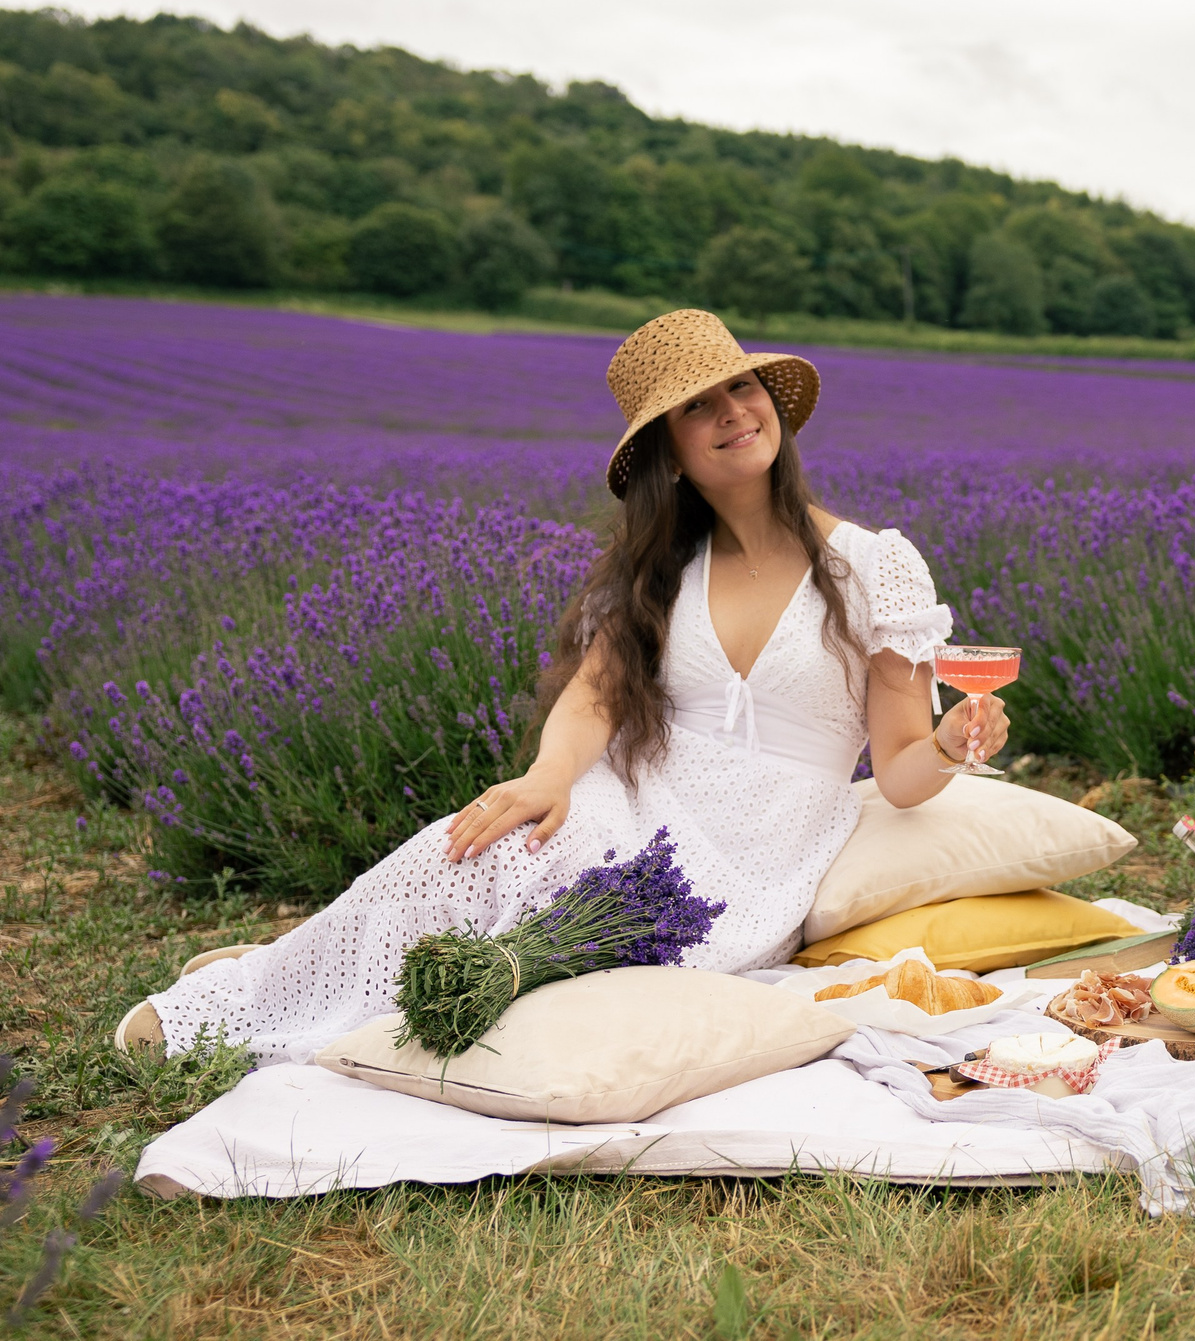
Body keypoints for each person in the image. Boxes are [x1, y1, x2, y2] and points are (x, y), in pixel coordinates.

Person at [119, 310, 998, 1066]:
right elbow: (595, 697)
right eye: (700, 406)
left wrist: (950, 745)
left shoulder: (875, 563)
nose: (735, 413)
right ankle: (241, 1003)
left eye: (743, 388)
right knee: (484, 845)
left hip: (761, 852)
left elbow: (898, 770)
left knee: (584, 944)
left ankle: (295, 975)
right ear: (672, 452)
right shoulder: (662, 567)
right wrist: (548, 777)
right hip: (640, 792)